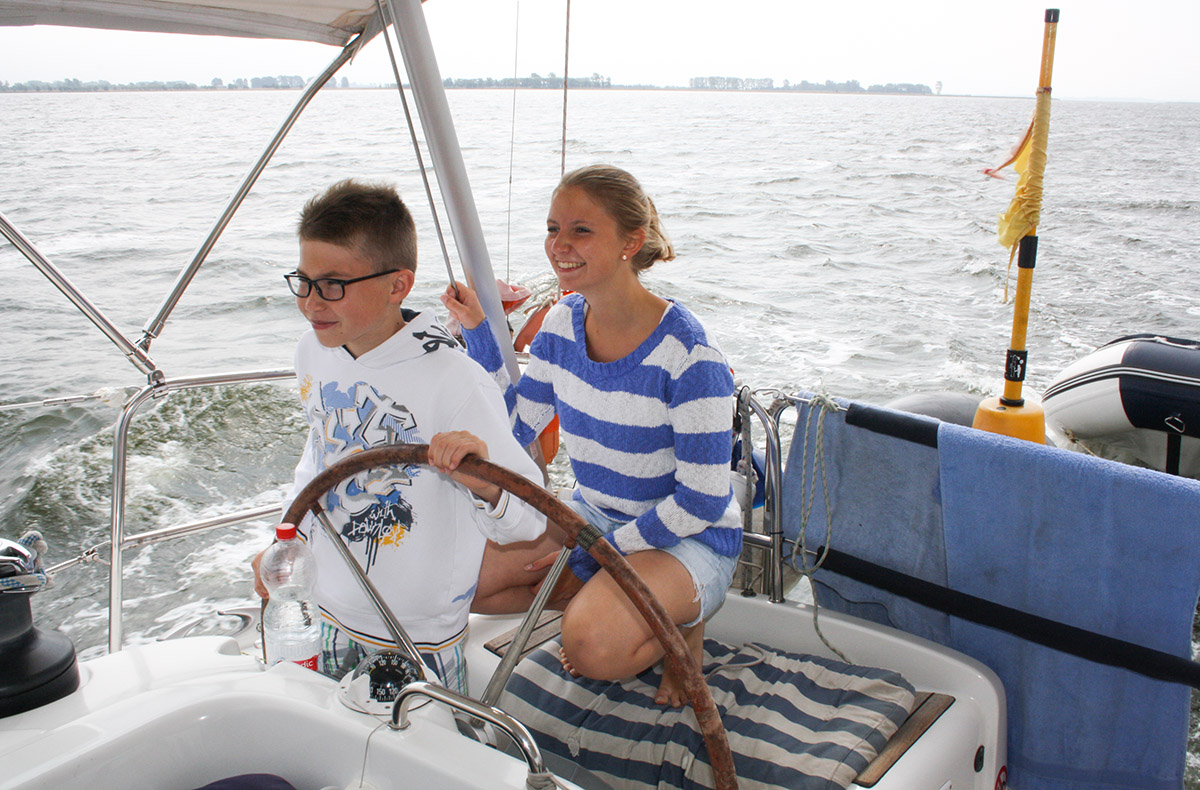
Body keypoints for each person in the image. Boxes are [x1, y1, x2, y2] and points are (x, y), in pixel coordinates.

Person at [441, 164, 741, 706]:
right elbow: (518, 424)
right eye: (553, 229)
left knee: (592, 651)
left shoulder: (691, 356)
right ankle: (613, 601)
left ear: (631, 241)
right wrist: (480, 334)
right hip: (596, 517)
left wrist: (602, 551)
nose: (560, 245)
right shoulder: (562, 324)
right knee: (462, 579)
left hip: (690, 537)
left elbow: (701, 501)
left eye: (581, 230)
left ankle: (683, 627)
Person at [253, 179, 546, 694]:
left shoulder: (456, 380)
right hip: (324, 608)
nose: (312, 303)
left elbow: (529, 518)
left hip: (416, 639)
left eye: (333, 285)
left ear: (397, 286)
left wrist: (484, 482)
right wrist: (287, 540)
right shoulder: (311, 352)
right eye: (304, 281)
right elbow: (319, 456)